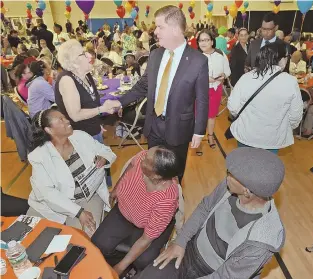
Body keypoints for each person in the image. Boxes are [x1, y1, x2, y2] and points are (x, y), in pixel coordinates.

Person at [135, 147, 286, 279]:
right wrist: (181, 241)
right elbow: (205, 207)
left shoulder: (262, 241)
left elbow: (225, 276)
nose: (227, 176)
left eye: (231, 174)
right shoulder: (230, 187)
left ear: (247, 190)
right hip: (189, 251)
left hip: (213, 273)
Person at [109, 5, 209, 182]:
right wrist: (120, 102)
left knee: (175, 174)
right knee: (154, 171)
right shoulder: (155, 55)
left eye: (160, 27)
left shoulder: (198, 60)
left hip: (179, 129)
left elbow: (202, 100)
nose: (155, 32)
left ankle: (175, 203)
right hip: (153, 126)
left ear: (176, 29)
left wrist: (199, 131)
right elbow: (142, 86)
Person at [26, 108, 116, 236]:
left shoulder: (80, 136)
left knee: (82, 239)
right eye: (61, 120)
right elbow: (48, 194)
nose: (67, 120)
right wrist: (78, 212)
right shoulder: (39, 156)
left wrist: (104, 158)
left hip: (87, 197)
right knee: (27, 235)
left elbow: (106, 150)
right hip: (48, 205)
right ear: (49, 130)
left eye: (65, 117)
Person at [92, 147, 179, 275]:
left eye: (146, 159)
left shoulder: (166, 199)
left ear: (155, 175)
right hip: (124, 211)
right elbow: (131, 165)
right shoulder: (142, 158)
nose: (142, 155)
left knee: (143, 260)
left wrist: (120, 268)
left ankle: (129, 269)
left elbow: (146, 239)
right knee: (98, 244)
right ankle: (117, 264)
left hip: (147, 227)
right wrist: (117, 187)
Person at [228, 41, 303, 154]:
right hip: (273, 138)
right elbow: (296, 115)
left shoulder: (246, 78)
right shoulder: (290, 82)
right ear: (282, 60)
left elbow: (233, 107)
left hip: (246, 134)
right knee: (267, 169)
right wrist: (282, 126)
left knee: (243, 167)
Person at [55, 39, 115, 140]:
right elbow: (75, 115)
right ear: (74, 61)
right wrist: (102, 109)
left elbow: (90, 104)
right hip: (80, 137)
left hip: (93, 130)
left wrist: (97, 124)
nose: (88, 55)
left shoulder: (86, 75)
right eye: (83, 53)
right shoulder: (67, 80)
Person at [197, 29, 230, 153]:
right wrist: (204, 78)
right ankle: (198, 140)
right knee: (199, 117)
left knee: (211, 116)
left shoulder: (220, 54)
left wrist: (224, 76)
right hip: (200, 91)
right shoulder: (196, 56)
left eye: (206, 40)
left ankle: (210, 137)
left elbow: (227, 70)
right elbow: (191, 75)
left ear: (212, 41)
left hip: (216, 89)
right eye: (201, 40)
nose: (203, 43)